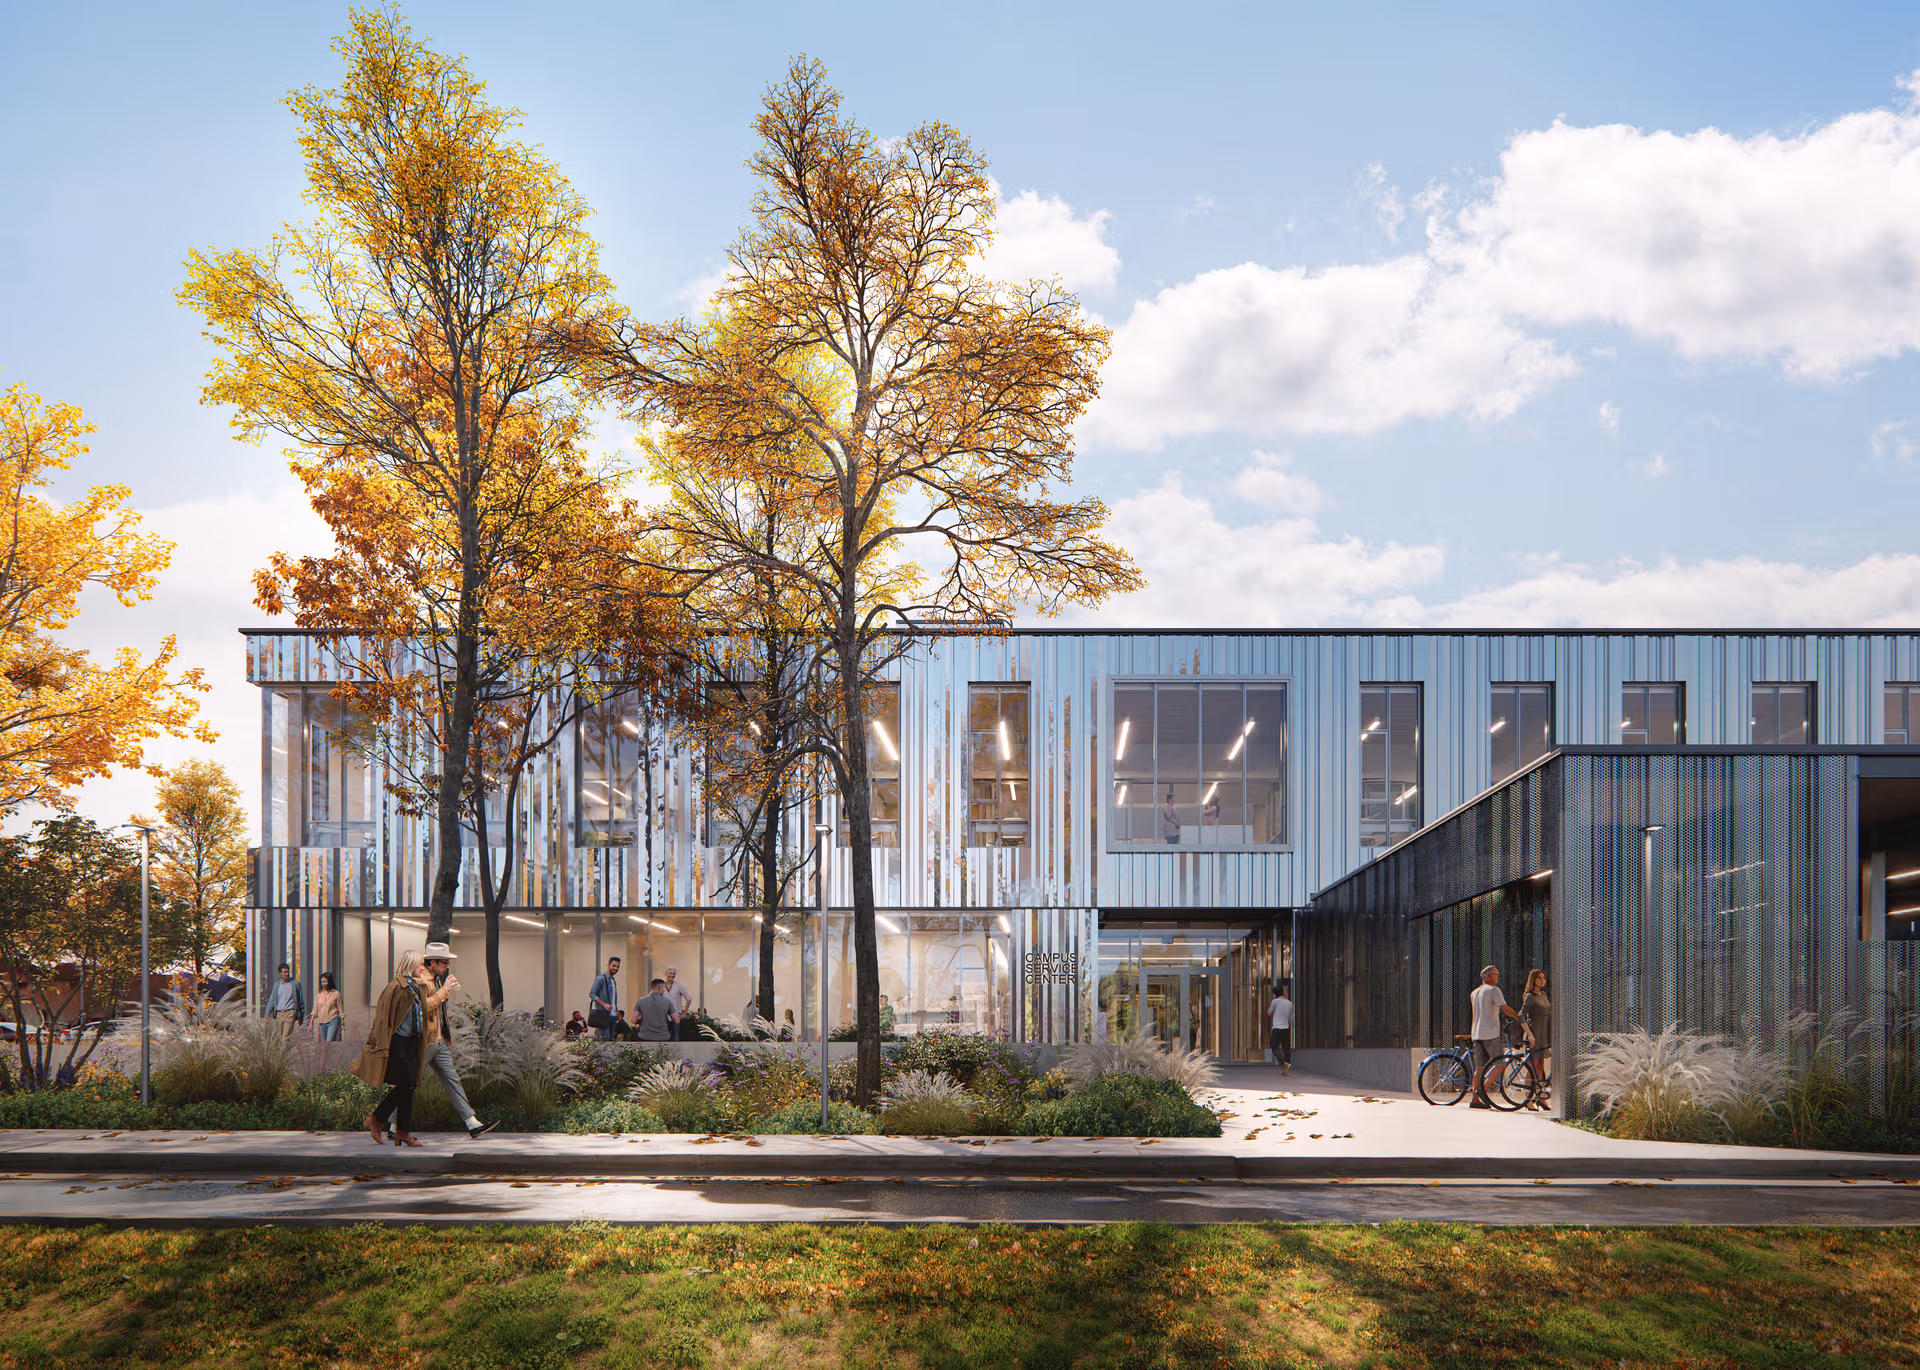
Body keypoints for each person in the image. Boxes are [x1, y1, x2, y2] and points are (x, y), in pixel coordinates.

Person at [418, 942, 498, 1140]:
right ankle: (391, 1123)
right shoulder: (422, 980)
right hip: (426, 1042)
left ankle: (472, 1123)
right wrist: (445, 990)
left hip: (438, 1041)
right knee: (410, 1084)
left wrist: (445, 1035)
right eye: (444, 963)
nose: (447, 967)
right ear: (433, 962)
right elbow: (425, 1007)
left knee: (452, 1079)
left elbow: (439, 1011)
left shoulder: (436, 980)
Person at [354, 950, 433, 1147]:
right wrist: (380, 1045)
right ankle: (398, 1129)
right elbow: (382, 1018)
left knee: (409, 1086)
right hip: (398, 1042)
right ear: (410, 964)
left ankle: (381, 1121)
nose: (423, 968)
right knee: (407, 1085)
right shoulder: (396, 987)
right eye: (420, 964)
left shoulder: (417, 987)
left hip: (413, 1042)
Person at [1469, 965, 1521, 1109]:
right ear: (1489, 976)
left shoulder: (1474, 993)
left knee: (1479, 1068)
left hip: (1476, 1034)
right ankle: (1483, 1091)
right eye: (1497, 975)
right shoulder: (1494, 990)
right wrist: (1518, 1017)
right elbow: (1504, 1008)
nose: (1499, 977)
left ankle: (1475, 1099)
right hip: (1491, 1034)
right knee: (1500, 1064)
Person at [1520, 968, 1552, 1111]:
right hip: (1534, 1035)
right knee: (1532, 1067)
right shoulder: (1530, 996)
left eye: (1543, 978)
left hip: (1543, 1035)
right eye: (1539, 978)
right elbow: (1521, 1016)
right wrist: (1530, 1035)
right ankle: (1527, 1099)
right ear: (1533, 979)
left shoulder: (1544, 995)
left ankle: (1540, 1098)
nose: (1542, 980)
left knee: (1540, 1067)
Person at [266, 962, 305, 1037]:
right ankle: (284, 1049)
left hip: (290, 1013)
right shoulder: (276, 985)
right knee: (280, 1038)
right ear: (280, 973)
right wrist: (267, 1013)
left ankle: (284, 1047)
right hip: (279, 1014)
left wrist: (301, 1015)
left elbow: (300, 1000)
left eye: (288, 972)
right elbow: (272, 1000)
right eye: (284, 972)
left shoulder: (295, 984)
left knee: (285, 1038)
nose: (287, 974)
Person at [588, 957, 620, 1041]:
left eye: (617, 967)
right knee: (604, 1043)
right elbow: (592, 994)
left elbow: (613, 997)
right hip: (603, 1015)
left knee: (611, 1042)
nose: (616, 968)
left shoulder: (613, 980)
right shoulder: (601, 978)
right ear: (608, 965)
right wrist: (604, 1004)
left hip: (613, 1016)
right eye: (613, 966)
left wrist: (616, 1009)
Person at [1267, 981, 1294, 1075]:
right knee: (1286, 1049)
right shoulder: (1290, 1003)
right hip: (1286, 1028)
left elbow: (1269, 1012)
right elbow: (1291, 1017)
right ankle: (1286, 1070)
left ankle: (1284, 1063)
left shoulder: (1275, 1001)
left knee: (1274, 1047)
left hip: (1277, 1028)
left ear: (1275, 994)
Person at [661, 966, 693, 1040]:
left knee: (676, 1037)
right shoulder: (661, 986)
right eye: (670, 973)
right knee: (663, 1037)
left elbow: (689, 998)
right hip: (663, 1015)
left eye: (674, 974)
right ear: (666, 973)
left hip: (675, 1014)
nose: (672, 975)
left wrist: (684, 1013)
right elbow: (652, 997)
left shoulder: (678, 986)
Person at [311, 971, 343, 1042]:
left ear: (330, 982)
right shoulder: (319, 994)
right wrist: (311, 1023)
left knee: (329, 1041)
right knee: (324, 1043)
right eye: (322, 982)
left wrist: (342, 1023)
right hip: (322, 1022)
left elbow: (340, 1009)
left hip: (333, 1020)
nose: (324, 984)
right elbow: (315, 1009)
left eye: (326, 982)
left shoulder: (336, 994)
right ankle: (329, 1053)